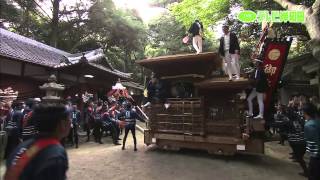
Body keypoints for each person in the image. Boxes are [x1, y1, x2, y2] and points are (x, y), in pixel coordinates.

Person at [4, 104, 70, 180]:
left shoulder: (25, 146)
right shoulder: (55, 154)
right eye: (69, 119)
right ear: (62, 124)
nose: (70, 122)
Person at [303, 103, 320, 180]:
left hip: (316, 156)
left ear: (306, 113)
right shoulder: (318, 121)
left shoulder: (308, 125)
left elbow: (310, 141)